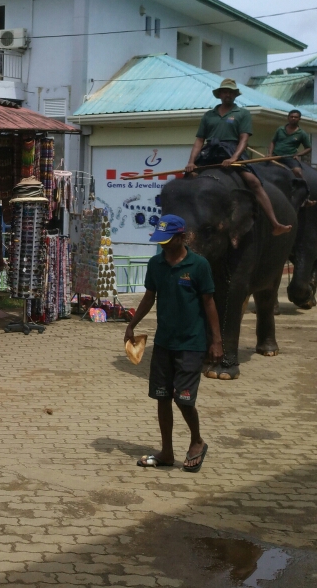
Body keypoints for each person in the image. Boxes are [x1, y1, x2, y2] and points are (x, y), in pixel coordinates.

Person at [124, 215, 223, 472]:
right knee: (162, 397)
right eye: (161, 242)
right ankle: (166, 451)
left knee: (184, 398)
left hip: (192, 343)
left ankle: (197, 441)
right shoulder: (156, 264)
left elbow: (209, 303)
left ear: (182, 237)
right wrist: (132, 324)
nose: (164, 246)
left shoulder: (199, 266)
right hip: (164, 343)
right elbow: (149, 297)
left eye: (168, 241)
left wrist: (217, 341)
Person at [185, 78, 293, 235]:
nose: (227, 94)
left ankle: (275, 223)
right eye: (225, 91)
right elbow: (199, 140)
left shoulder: (242, 113)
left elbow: (244, 138)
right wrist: (191, 162)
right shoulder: (209, 115)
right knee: (187, 178)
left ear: (235, 95)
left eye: (231, 92)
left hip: (232, 149)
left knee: (253, 181)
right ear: (220, 94)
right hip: (210, 151)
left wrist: (234, 157)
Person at [268, 109, 312, 182]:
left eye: (295, 117)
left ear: (299, 119)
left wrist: (298, 154)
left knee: (298, 172)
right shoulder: (280, 129)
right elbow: (273, 142)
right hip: (275, 155)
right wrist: (269, 154)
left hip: (289, 157)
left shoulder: (302, 133)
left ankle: (304, 187)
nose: (293, 118)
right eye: (291, 117)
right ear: (288, 118)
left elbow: (309, 148)